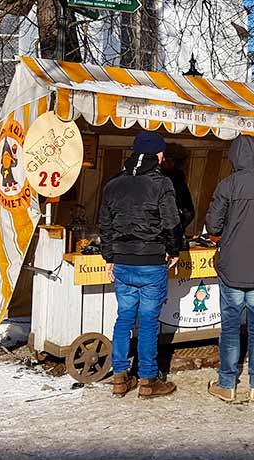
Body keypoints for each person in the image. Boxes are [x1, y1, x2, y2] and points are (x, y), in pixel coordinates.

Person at [98, 131, 180, 399]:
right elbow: (171, 223)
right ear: (157, 156)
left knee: (123, 319)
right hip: (151, 262)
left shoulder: (113, 184)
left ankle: (120, 377)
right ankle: (147, 379)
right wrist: (173, 250)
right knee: (147, 322)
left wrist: (109, 257)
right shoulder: (162, 184)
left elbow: (105, 226)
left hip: (123, 262)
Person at [205, 136, 254, 403]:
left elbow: (213, 226)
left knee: (229, 328)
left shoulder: (227, 186)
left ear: (235, 157)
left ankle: (226, 384)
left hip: (230, 268)